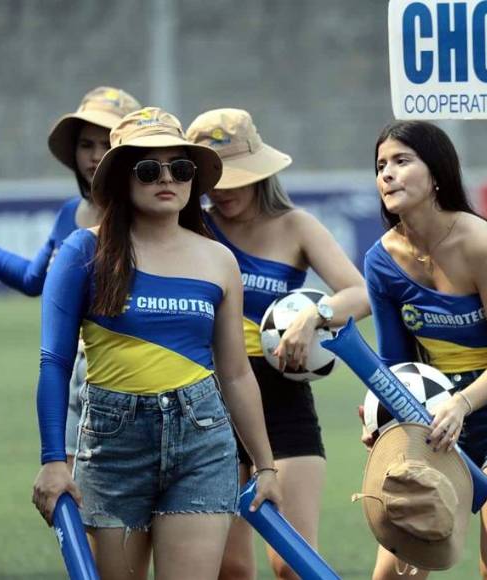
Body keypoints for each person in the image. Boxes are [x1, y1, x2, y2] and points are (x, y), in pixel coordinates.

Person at [31, 107, 282, 580]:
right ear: (123, 177)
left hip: (203, 440)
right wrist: (52, 461)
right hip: (113, 444)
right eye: (149, 169)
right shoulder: (83, 251)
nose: (166, 178)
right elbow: (54, 363)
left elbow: (235, 373)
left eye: (180, 168)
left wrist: (266, 467)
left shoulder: (218, 259)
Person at [185, 108, 370, 580]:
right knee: (230, 567)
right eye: (215, 178)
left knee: (292, 562)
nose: (223, 191)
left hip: (283, 397)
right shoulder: (191, 229)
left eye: (236, 178)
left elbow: (361, 292)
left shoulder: (297, 226)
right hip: (210, 396)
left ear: (261, 173)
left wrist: (315, 315)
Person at [365, 120, 487, 579]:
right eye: (381, 165)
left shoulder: (479, 242)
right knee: (395, 574)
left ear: (437, 175)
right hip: (432, 417)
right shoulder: (380, 260)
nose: (388, 173)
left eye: (402, 161)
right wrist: (379, 414)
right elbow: (396, 365)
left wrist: (463, 404)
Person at [0, 86, 141, 462]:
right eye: (86, 144)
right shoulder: (71, 213)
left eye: (107, 142)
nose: (95, 155)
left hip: (131, 382)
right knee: (69, 496)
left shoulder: (151, 218)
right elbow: (35, 279)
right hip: (73, 379)